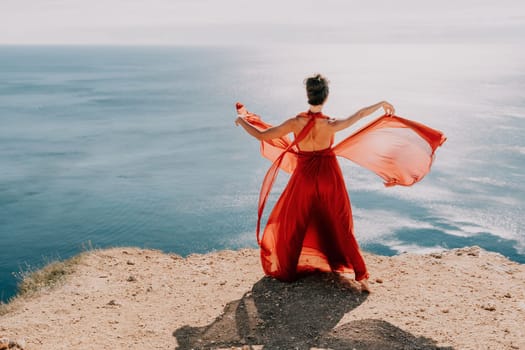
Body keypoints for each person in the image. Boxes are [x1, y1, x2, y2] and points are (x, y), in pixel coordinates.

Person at [235, 74, 444, 293]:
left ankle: (287, 271)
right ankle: (362, 277)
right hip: (328, 176)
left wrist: (242, 121)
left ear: (308, 95)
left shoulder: (295, 123)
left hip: (304, 178)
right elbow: (360, 114)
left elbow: (262, 135)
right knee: (341, 224)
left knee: (295, 222)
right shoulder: (331, 124)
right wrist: (380, 104)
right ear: (325, 97)